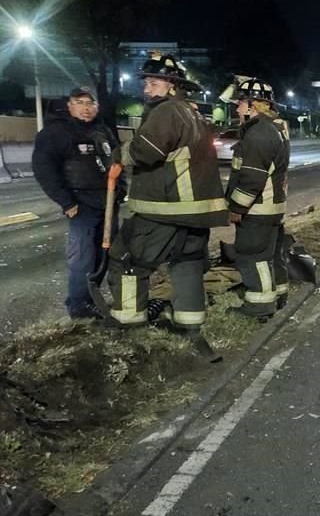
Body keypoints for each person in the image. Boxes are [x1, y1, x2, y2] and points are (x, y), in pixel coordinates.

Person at [106, 54, 228, 352]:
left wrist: (120, 154)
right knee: (186, 263)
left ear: (173, 86)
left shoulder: (166, 111)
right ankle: (189, 324)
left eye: (154, 82)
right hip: (196, 212)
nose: (147, 89)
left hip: (166, 208)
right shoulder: (192, 112)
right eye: (146, 83)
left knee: (127, 259)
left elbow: (146, 151)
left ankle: (129, 322)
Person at [31, 87, 125, 319]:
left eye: (90, 103)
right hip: (80, 205)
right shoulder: (55, 133)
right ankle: (79, 305)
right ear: (70, 105)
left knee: (106, 254)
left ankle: (93, 298)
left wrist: (121, 190)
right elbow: (44, 170)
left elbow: (117, 162)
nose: (86, 108)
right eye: (79, 102)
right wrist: (66, 202)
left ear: (97, 107)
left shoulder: (102, 131)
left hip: (108, 202)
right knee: (82, 257)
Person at [225, 78, 291, 318]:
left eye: (241, 102)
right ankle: (279, 295)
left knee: (252, 255)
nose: (237, 107)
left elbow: (251, 178)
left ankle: (259, 306)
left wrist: (237, 207)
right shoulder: (274, 128)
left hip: (258, 209)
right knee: (271, 254)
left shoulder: (258, 133)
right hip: (272, 206)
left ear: (254, 105)